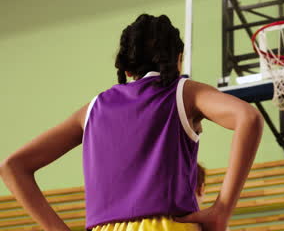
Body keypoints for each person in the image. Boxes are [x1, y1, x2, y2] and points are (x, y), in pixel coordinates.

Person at [0, 14, 263, 231]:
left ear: (126, 69)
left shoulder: (92, 109)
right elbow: (248, 118)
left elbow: (12, 167)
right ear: (179, 59)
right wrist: (222, 208)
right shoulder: (184, 92)